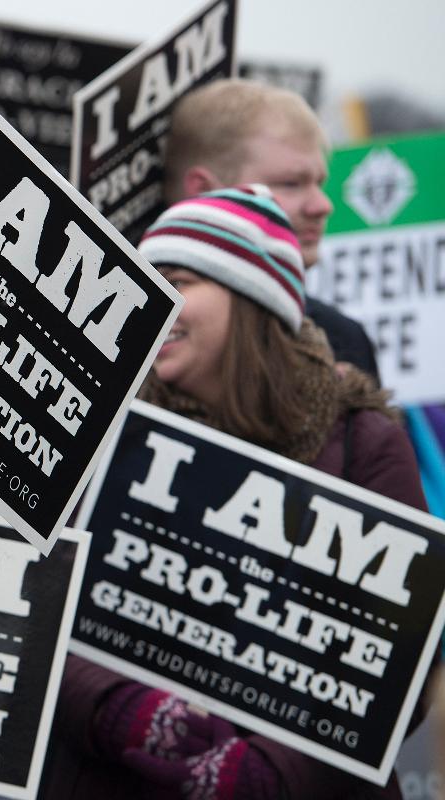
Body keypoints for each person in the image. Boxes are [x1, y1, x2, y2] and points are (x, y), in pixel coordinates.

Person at [42, 186, 427, 799]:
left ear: (252, 298)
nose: (153, 304)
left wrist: (272, 771)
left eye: (179, 280)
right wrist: (120, 710)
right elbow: (33, 610)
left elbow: (395, 672)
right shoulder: (100, 434)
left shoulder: (365, 444)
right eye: (146, 285)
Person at [164, 78, 380, 381]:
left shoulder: (344, 340)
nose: (322, 205)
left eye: (319, 183)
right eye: (291, 183)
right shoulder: (129, 331)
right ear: (204, 191)